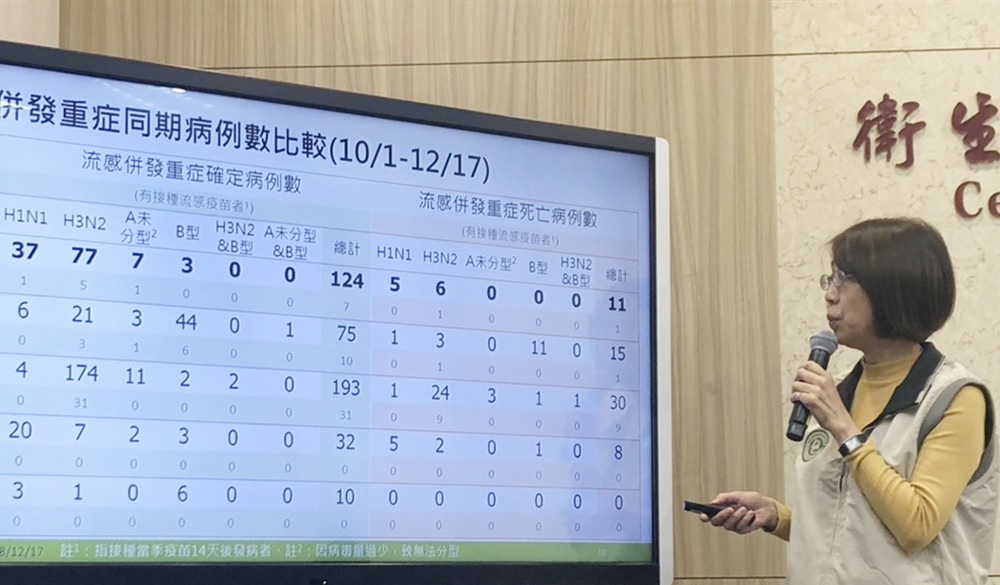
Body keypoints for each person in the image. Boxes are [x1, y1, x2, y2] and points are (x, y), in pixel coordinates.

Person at [702, 217, 999, 584]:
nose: (830, 294)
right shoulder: (840, 391)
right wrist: (777, 516)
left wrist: (845, 430)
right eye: (830, 279)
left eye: (844, 278)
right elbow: (852, 531)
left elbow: (916, 526)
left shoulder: (954, 398)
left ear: (893, 288)